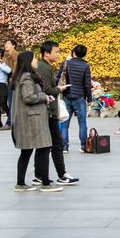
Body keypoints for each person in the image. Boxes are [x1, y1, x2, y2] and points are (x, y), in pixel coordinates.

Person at [10, 50, 60, 192]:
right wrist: (44, 97)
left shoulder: (21, 76)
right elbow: (28, 97)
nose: (36, 61)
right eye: (33, 59)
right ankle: (45, 183)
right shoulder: (27, 77)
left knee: (26, 151)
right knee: (44, 148)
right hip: (33, 119)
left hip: (28, 119)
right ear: (28, 62)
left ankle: (21, 183)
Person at [34, 42, 78, 185]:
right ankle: (61, 174)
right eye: (56, 52)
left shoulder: (44, 67)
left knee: (44, 145)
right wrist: (60, 89)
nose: (58, 54)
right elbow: (47, 90)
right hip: (48, 111)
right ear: (47, 53)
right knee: (56, 144)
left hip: (47, 110)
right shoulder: (44, 68)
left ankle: (39, 175)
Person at [57, 44, 92, 151]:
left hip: (67, 96)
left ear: (74, 53)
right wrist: (89, 99)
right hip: (80, 98)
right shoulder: (85, 66)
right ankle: (83, 146)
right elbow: (87, 84)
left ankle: (64, 147)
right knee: (82, 123)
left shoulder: (66, 63)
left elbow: (58, 77)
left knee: (64, 123)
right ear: (84, 54)